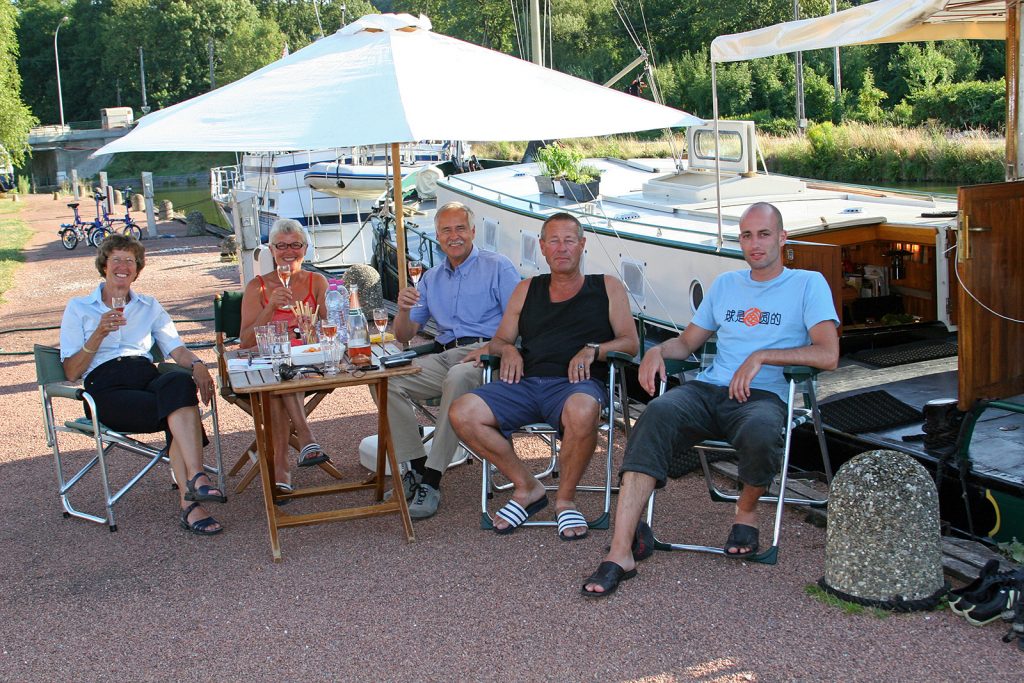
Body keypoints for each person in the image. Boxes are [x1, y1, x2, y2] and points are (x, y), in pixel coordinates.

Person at [582, 202, 840, 597]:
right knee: (656, 414)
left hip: (764, 396)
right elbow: (686, 344)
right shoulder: (726, 284)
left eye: (764, 234)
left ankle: (747, 511)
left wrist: (762, 356)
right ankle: (621, 551)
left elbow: (828, 354)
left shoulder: (807, 284)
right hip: (708, 391)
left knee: (761, 429)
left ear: (783, 238)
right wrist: (655, 352)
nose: (755, 244)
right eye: (747, 235)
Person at [449, 213, 639, 540]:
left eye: (569, 240)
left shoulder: (607, 287)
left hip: (577, 385)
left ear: (582, 245)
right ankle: (527, 487)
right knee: (462, 412)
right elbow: (500, 340)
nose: (561, 248)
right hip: (524, 383)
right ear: (542, 247)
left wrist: (594, 349)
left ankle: (565, 501)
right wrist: (508, 350)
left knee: (583, 410)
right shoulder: (526, 289)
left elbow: (630, 343)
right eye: (553, 240)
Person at [60, 234, 224, 536]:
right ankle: (192, 498)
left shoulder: (149, 306)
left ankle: (196, 480)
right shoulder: (79, 308)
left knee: (177, 380)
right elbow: (71, 372)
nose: (123, 266)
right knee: (178, 407)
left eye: (130, 261)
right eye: (116, 260)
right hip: (105, 387)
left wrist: (198, 365)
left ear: (137, 269)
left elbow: (176, 349)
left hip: (144, 376)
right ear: (104, 265)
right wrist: (98, 334)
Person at [382, 201, 519, 519]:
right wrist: (402, 309)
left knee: (457, 378)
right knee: (386, 379)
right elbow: (404, 334)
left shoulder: (498, 266)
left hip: (489, 358)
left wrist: (493, 348)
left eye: (460, 228)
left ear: (473, 231)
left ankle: (431, 480)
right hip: (444, 353)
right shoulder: (430, 278)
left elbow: (523, 320)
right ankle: (415, 468)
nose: (453, 236)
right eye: (446, 230)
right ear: (438, 236)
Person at [240, 218, 330, 495]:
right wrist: (270, 309)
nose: (288, 251)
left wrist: (311, 327)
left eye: (295, 245)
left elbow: (330, 328)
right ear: (271, 250)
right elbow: (245, 342)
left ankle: (282, 466)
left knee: (282, 377)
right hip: (270, 367)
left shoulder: (317, 281)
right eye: (281, 246)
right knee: (279, 375)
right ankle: (305, 437)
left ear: (305, 248)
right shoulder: (258, 287)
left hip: (310, 362)